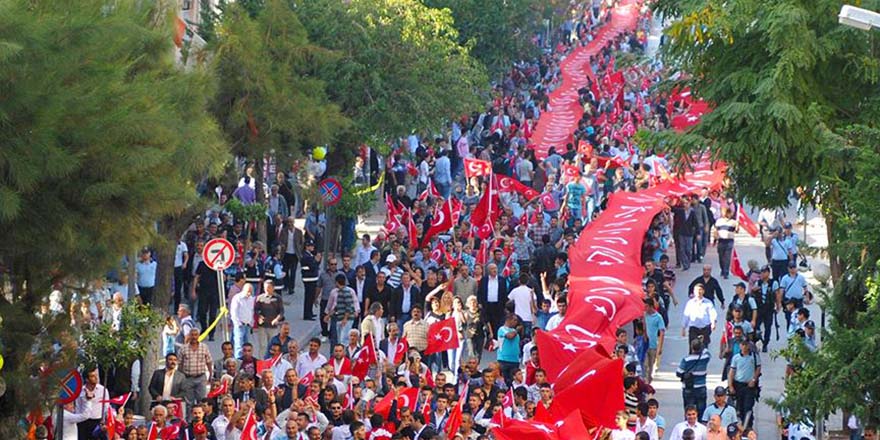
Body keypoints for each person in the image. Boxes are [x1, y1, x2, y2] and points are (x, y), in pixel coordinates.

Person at [729, 337, 761, 429]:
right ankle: (742, 425)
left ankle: (748, 426)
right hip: (738, 385)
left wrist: (754, 380)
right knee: (740, 407)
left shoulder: (754, 356)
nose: (744, 346)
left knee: (748, 406)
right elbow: (732, 372)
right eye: (742, 344)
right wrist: (730, 386)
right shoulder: (736, 358)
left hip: (749, 386)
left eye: (746, 345)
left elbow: (758, 368)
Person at [178, 328, 213, 405]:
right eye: (192, 335)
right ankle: (190, 417)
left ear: (198, 336)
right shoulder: (183, 348)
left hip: (201, 378)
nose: (194, 337)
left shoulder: (204, 347)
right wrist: (180, 378)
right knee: (189, 402)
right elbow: (180, 364)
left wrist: (210, 374)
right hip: (187, 379)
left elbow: (209, 362)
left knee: (202, 401)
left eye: (196, 335)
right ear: (189, 336)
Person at [676, 339, 710, 417]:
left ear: (691, 348)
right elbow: (707, 351)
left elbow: (679, 372)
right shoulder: (705, 357)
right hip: (701, 387)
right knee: (701, 411)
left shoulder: (686, 360)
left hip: (688, 387)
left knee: (689, 410)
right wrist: (702, 342)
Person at [254, 279, 285, 358]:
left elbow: (281, 311)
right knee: (263, 346)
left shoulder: (277, 298)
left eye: (268, 287)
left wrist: (277, 319)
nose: (266, 289)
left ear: (273, 288)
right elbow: (256, 310)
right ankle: (262, 362)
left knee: (272, 346)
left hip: (273, 326)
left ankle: (272, 362)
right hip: (262, 326)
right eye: (265, 288)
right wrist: (259, 317)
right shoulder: (260, 298)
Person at [76, 369, 109, 439]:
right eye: (92, 376)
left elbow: (106, 406)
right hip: (83, 422)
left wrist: (104, 421)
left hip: (97, 421)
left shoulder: (103, 390)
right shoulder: (80, 391)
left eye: (96, 375)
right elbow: (78, 406)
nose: (96, 378)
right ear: (87, 379)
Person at [230, 282, 255, 359]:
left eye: (250, 291)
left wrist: (251, 322)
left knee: (246, 345)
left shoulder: (251, 299)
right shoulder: (237, 298)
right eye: (248, 291)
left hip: (247, 325)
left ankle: (245, 360)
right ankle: (238, 361)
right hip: (240, 325)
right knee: (239, 345)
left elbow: (251, 311)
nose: (249, 293)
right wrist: (237, 323)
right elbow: (233, 312)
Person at [643, 297, 665, 384]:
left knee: (650, 366)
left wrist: (660, 347)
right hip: (645, 344)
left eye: (647, 306)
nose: (645, 308)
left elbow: (662, 332)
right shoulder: (644, 315)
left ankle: (648, 383)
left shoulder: (658, 317)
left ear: (651, 306)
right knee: (644, 365)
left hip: (653, 345)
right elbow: (644, 327)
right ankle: (645, 382)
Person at [713, 208, 738, 279]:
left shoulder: (733, 222)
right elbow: (716, 230)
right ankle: (722, 268)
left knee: (727, 257)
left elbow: (736, 231)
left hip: (729, 241)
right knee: (721, 257)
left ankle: (726, 272)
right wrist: (715, 239)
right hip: (721, 240)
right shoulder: (719, 221)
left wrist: (737, 225)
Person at [301, 239, 321, 321]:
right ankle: (307, 314)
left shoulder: (310, 255)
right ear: (307, 247)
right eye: (311, 246)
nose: (312, 247)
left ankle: (310, 312)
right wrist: (316, 261)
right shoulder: (306, 256)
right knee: (309, 297)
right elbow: (312, 267)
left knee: (311, 296)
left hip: (312, 278)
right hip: (308, 279)